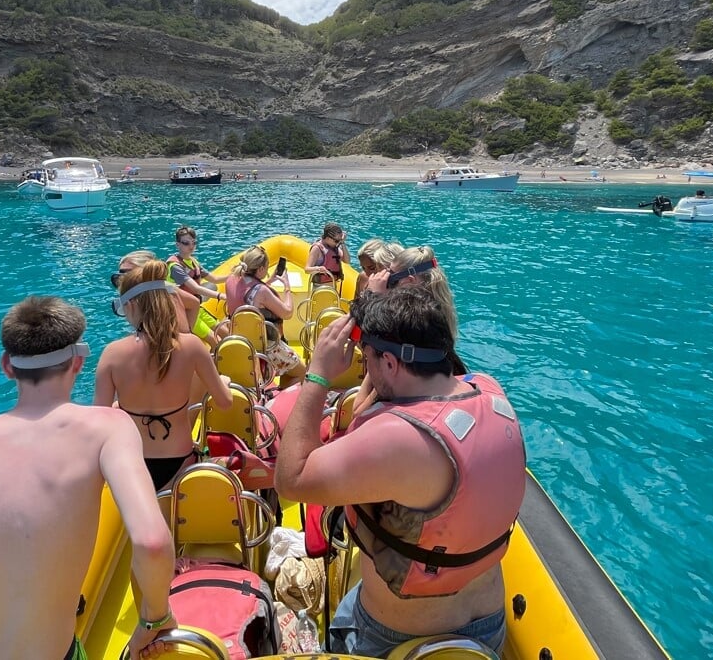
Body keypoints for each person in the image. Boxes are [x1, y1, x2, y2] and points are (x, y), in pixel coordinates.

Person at [0, 296, 176, 660]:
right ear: (78, 361)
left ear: (7, 366)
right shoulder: (107, 428)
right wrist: (154, 620)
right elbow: (152, 542)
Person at [275, 288, 526, 658]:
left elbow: (290, 479)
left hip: (393, 636)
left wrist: (318, 374)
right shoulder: (490, 392)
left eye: (369, 359)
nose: (366, 368)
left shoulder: (397, 440)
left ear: (391, 364)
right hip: (487, 625)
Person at [95, 261, 232, 490]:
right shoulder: (192, 346)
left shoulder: (112, 353)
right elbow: (225, 402)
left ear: (130, 305)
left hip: (133, 461)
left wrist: (124, 406)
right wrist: (224, 383)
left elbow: (99, 421)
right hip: (179, 459)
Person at [225, 245, 303, 381]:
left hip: (240, 341)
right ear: (260, 269)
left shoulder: (231, 280)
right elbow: (287, 313)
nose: (267, 271)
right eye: (266, 268)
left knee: (288, 367)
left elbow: (248, 298)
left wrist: (269, 281)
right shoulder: (262, 291)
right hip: (265, 346)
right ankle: (278, 397)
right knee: (302, 372)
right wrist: (287, 287)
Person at [166, 226, 231, 349]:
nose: (191, 246)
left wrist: (233, 275)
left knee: (225, 332)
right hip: (185, 312)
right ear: (178, 245)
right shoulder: (175, 266)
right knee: (213, 339)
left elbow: (214, 279)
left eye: (193, 243)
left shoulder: (193, 262)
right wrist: (220, 296)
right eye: (186, 243)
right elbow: (196, 288)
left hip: (197, 308)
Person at [306, 222, 349, 287]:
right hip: (320, 287)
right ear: (328, 238)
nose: (338, 243)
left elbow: (347, 261)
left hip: (333, 286)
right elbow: (307, 269)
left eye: (340, 241)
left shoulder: (334, 248)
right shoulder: (317, 248)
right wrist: (318, 269)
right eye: (336, 241)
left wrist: (342, 243)